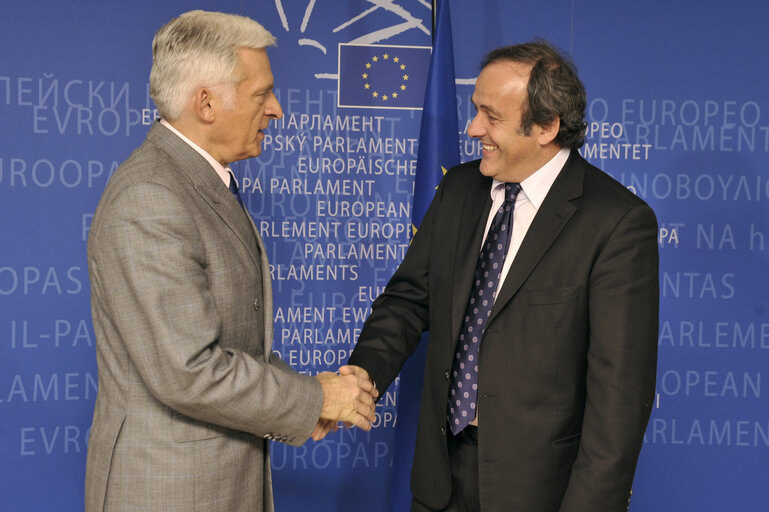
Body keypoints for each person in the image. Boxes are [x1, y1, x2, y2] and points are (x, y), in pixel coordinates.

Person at [346, 40, 659, 512]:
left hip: (539, 493)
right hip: (438, 485)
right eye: (475, 110)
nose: (473, 129)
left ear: (547, 127)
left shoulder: (616, 223)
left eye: (490, 116)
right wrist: (362, 375)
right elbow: (409, 299)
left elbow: (619, 401)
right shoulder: (457, 189)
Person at [84, 10, 376, 512]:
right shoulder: (151, 196)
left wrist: (313, 393)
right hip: (169, 492)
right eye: (262, 93)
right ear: (207, 102)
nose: (277, 110)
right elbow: (190, 370)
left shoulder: (194, 184)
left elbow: (233, 345)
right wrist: (316, 399)